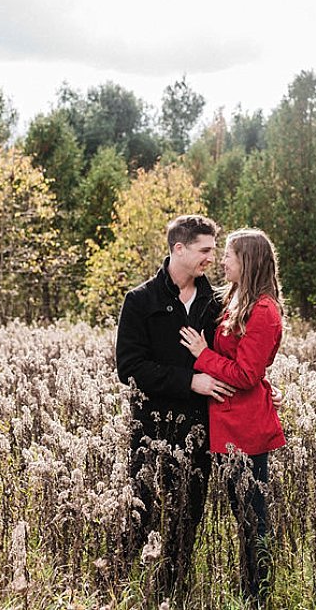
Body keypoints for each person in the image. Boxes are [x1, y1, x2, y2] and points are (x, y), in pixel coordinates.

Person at [115, 214, 236, 601]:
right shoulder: (140, 301)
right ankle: (117, 590)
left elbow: (233, 360)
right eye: (205, 250)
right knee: (139, 514)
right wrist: (189, 381)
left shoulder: (215, 303)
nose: (211, 259)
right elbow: (129, 368)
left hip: (202, 429)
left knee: (188, 520)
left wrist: (264, 390)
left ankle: (171, 596)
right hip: (150, 430)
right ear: (178, 249)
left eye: (214, 251)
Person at [179, 228, 286, 605]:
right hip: (224, 423)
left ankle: (258, 596)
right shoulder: (235, 299)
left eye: (229, 255)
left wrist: (203, 355)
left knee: (253, 517)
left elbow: (246, 374)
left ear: (248, 261)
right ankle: (250, 590)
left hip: (246, 426)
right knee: (243, 514)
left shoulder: (264, 310)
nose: (222, 262)